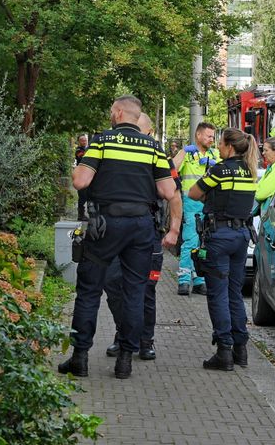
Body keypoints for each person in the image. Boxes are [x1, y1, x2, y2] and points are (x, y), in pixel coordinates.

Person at [58, 95, 181, 380]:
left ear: (118, 112)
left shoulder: (102, 141)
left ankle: (80, 358)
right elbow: (167, 191)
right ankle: (125, 360)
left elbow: (80, 181)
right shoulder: (154, 147)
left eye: (112, 111)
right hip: (141, 227)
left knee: (89, 290)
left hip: (105, 224)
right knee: (135, 292)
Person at [103, 113, 182, 361]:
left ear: (147, 134)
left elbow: (174, 195)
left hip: (147, 234)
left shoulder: (158, 157)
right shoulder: (112, 151)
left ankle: (145, 340)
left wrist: (174, 230)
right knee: (113, 284)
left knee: (146, 290)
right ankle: (123, 333)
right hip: (115, 233)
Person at [187, 128, 258, 371]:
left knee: (217, 294)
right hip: (241, 237)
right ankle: (241, 349)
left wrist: (211, 199)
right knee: (234, 293)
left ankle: (224, 350)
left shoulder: (220, 170)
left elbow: (193, 192)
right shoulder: (250, 171)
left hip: (220, 237)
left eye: (220, 143)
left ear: (229, 146)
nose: (217, 146)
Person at [172, 122, 219, 296]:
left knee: (205, 243)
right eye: (209, 136)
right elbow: (173, 168)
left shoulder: (215, 154)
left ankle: (200, 279)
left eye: (213, 137)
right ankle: (184, 280)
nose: (212, 139)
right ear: (198, 135)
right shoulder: (188, 153)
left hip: (209, 204)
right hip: (191, 203)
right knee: (190, 241)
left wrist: (214, 165)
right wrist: (183, 152)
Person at [253, 135, 275, 216]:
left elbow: (259, 195)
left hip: (271, 221)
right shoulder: (273, 167)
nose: (263, 153)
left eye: (266, 150)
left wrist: (256, 188)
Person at [75, 134, 89, 221]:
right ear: (79, 142)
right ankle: (80, 215)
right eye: (82, 140)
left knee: (90, 194)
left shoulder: (88, 149)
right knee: (82, 195)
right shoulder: (78, 150)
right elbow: (83, 157)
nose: (84, 142)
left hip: (88, 175)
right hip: (80, 175)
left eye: (85, 140)